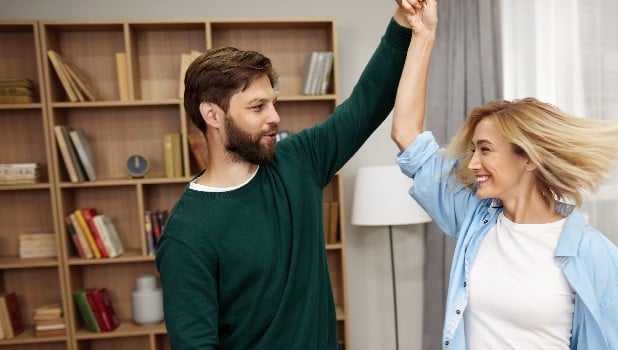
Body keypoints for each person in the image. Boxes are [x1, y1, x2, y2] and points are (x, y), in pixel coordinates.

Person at [155, 1, 437, 349]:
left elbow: (367, 103)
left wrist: (405, 21)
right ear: (212, 115)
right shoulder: (187, 235)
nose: (274, 117)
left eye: (273, 103)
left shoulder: (297, 161)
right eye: (258, 107)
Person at [390, 21, 618, 350]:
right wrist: (423, 35)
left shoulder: (596, 258)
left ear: (528, 159)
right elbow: (406, 134)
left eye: (485, 150)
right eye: (473, 151)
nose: (472, 163)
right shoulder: (475, 220)